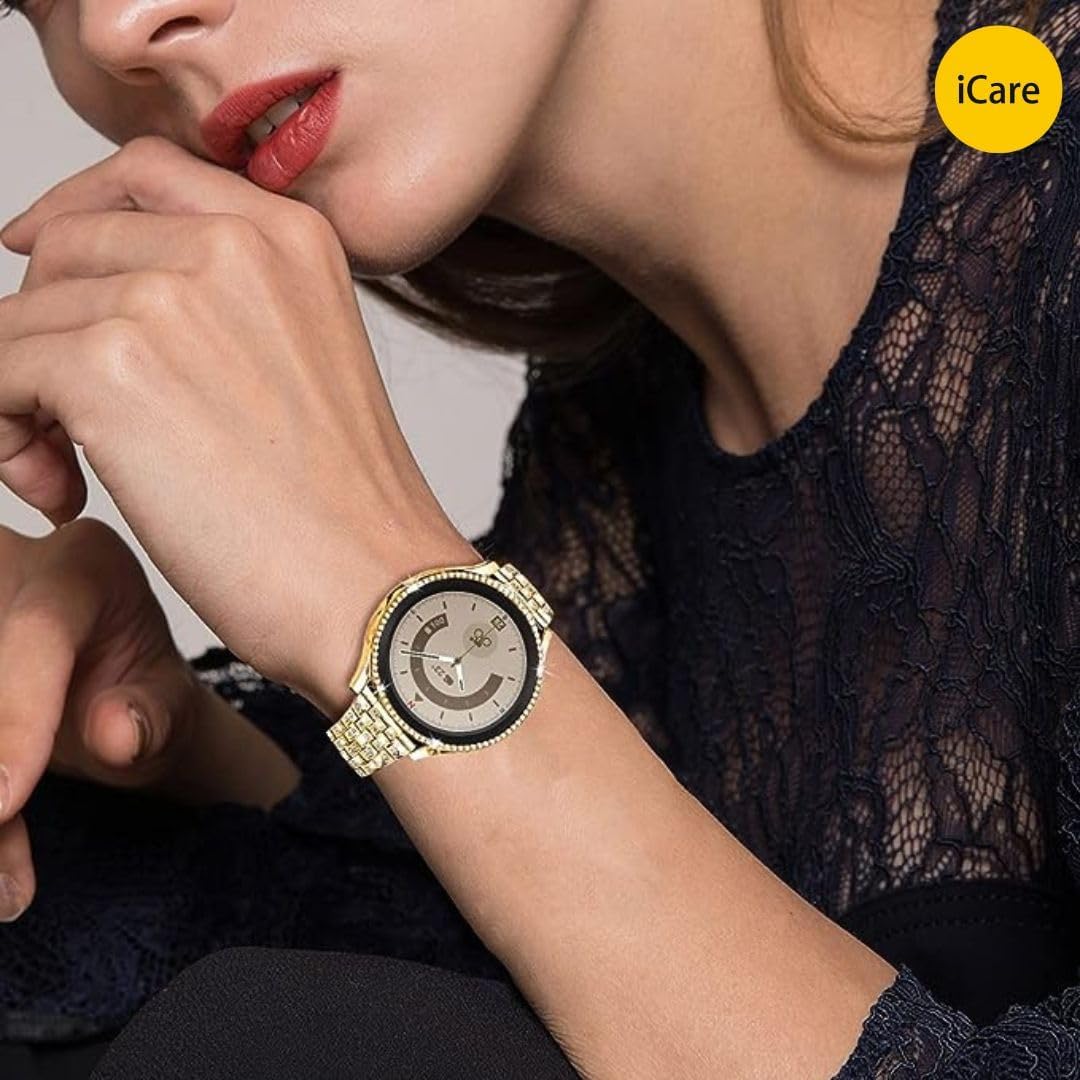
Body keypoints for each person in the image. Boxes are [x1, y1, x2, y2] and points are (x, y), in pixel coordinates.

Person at [0, 0, 1076, 1075]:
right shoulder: (621, 434)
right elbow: (534, 990)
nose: (112, 27)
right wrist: (180, 750)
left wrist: (380, 587)